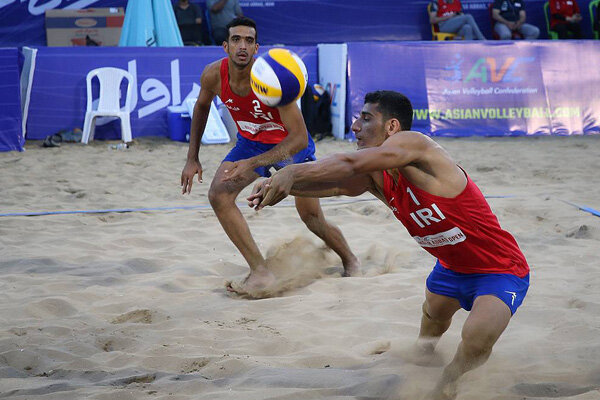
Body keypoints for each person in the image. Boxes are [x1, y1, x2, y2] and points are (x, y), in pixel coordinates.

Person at [248, 90, 530, 399]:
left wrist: (293, 171)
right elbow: (340, 183)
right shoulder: (379, 176)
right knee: (433, 317)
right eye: (358, 118)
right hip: (451, 267)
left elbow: (348, 162)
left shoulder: (416, 145)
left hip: (500, 269)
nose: (356, 126)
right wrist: (279, 185)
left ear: (392, 127)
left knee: (476, 337)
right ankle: (424, 354)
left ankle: (450, 379)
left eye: (366, 118)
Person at [180, 17, 360, 297]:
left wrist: (255, 165)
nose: (243, 46)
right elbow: (201, 107)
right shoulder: (213, 75)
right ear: (225, 46)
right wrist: (193, 158)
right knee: (218, 195)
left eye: (249, 41)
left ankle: (350, 258)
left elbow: (299, 137)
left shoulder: (271, 79)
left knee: (311, 218)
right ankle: (260, 271)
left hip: (288, 148)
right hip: (250, 143)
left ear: (257, 48)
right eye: (236, 40)